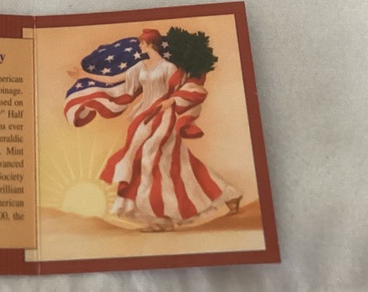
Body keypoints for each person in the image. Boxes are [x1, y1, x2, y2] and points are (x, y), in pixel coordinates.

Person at [66, 29, 242, 231]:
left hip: (163, 116)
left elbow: (183, 89)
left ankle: (160, 218)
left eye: (142, 43)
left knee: (149, 158)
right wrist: (84, 75)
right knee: (176, 162)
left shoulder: (168, 67)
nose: (140, 46)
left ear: (150, 44)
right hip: (142, 117)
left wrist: (171, 101)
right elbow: (114, 79)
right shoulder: (139, 66)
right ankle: (228, 194)